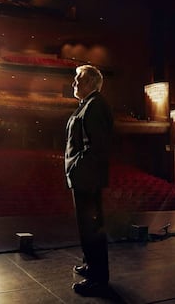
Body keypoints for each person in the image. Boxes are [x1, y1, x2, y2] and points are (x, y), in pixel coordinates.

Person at [64, 65, 114, 296]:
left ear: (90, 83)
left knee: (92, 228)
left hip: (87, 177)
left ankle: (98, 279)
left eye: (78, 79)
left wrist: (76, 168)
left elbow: (98, 148)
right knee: (86, 227)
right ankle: (90, 265)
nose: (74, 83)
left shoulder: (95, 106)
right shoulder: (88, 105)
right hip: (84, 176)